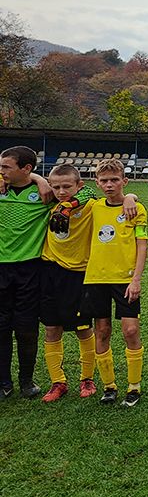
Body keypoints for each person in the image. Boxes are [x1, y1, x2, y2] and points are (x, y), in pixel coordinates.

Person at [38, 164, 111, 402]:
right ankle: (57, 382)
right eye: (56, 187)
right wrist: (40, 180)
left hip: (79, 274)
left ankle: (86, 378)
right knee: (51, 328)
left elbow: (97, 193)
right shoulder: (48, 202)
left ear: (78, 185)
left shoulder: (89, 205)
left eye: (67, 186)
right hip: (50, 271)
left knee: (83, 328)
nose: (61, 192)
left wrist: (130, 197)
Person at [82, 159, 148, 406]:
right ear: (97, 183)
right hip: (96, 278)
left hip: (125, 279)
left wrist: (136, 279)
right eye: (104, 181)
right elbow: (73, 189)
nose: (109, 185)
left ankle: (134, 386)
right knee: (102, 331)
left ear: (124, 181)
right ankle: (109, 386)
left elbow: (142, 244)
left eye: (114, 180)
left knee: (130, 330)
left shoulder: (136, 209)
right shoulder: (93, 207)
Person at [1, 146, 57, 399]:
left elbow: (85, 193)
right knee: (1, 327)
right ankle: (3, 382)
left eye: (6, 167)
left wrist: (40, 180)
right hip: (1, 268)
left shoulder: (45, 194)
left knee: (26, 328)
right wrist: (37, 176)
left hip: (30, 269)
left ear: (25, 168)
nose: (1, 171)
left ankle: (26, 380)